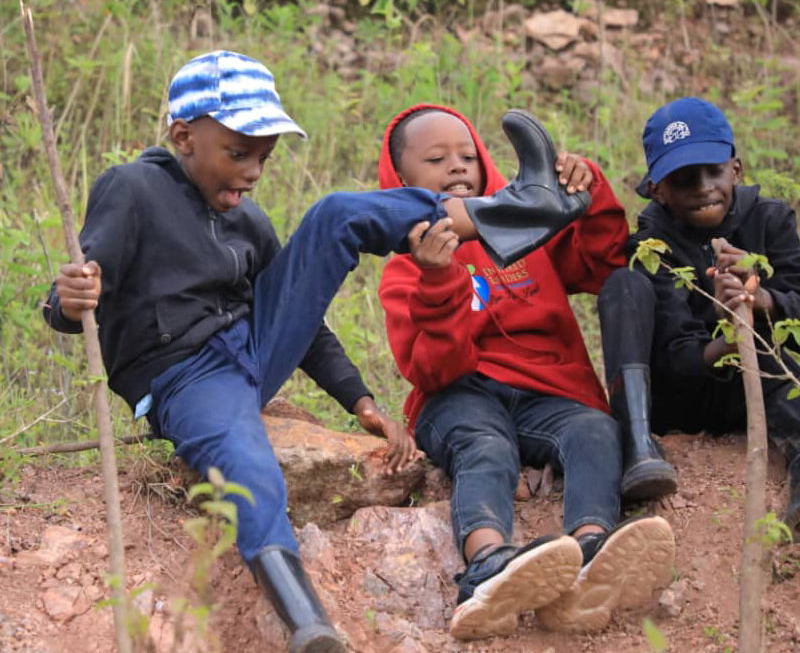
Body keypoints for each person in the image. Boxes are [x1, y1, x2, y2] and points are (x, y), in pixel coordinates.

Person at [42, 52, 582, 653]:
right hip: (187, 378)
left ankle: (518, 208)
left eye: (264, 159)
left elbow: (307, 327)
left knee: (333, 213)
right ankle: (307, 623)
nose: (252, 172)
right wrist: (69, 300)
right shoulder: (133, 188)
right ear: (184, 137)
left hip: (251, 352)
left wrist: (363, 401)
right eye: (238, 153)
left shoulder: (249, 222)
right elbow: (69, 304)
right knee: (250, 466)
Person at [377, 103, 676, 640]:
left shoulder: (524, 231)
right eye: (437, 158)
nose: (457, 167)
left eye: (468, 154)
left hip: (546, 390)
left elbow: (603, 264)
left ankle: (590, 553)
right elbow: (434, 370)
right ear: (401, 181)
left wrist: (588, 197)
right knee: (485, 447)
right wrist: (440, 278)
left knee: (593, 431)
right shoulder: (406, 266)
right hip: (459, 395)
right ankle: (488, 565)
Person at [598, 96, 800, 541]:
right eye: (683, 179)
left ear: (736, 170)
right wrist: (729, 332)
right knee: (623, 285)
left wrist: (762, 300)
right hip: (682, 398)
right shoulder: (652, 247)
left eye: (713, 171)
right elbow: (675, 359)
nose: (703, 187)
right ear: (656, 189)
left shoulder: (772, 221)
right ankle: (635, 448)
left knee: (786, 371)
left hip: (763, 387)